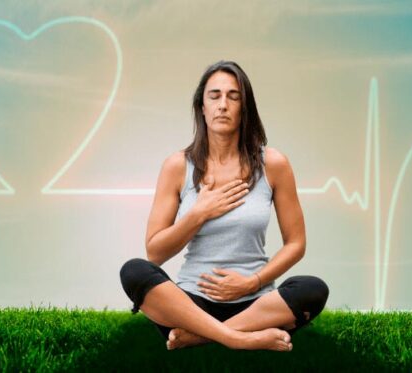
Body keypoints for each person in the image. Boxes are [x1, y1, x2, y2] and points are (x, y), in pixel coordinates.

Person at [119, 60, 329, 351]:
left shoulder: (274, 164)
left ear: (245, 107)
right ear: (202, 108)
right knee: (133, 271)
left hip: (255, 303)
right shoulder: (177, 166)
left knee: (313, 289)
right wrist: (199, 213)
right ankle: (240, 338)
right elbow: (155, 253)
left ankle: (198, 337)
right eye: (214, 96)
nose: (222, 105)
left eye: (233, 96)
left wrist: (252, 283)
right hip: (192, 303)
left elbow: (296, 243)